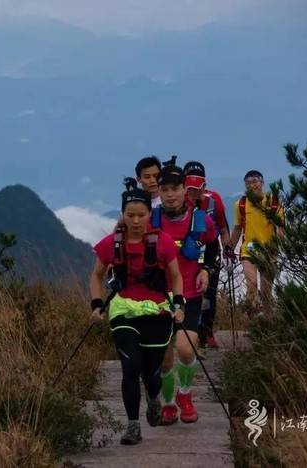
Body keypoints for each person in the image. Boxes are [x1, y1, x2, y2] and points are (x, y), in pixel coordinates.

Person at [90, 179, 184, 445]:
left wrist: (179, 305)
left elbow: (176, 276)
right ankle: (133, 426)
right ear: (123, 214)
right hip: (123, 309)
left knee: (152, 373)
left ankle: (154, 399)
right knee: (131, 368)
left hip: (157, 310)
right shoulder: (111, 243)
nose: (135, 221)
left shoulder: (163, 242)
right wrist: (96, 304)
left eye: (141, 215)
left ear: (149, 214)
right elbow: (96, 276)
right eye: (130, 215)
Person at [152, 160, 220, 425]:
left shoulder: (200, 219)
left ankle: (185, 393)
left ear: (184, 189)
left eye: (175, 188)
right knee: (164, 358)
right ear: (159, 191)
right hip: (158, 296)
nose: (170, 194)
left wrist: (206, 270)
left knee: (186, 349)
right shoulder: (151, 220)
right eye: (165, 189)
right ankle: (169, 403)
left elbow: (212, 247)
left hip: (189, 293)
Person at [183, 161, 232, 349]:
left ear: (204, 185)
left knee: (209, 292)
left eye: (197, 188)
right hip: (187, 252)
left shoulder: (214, 201)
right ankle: (190, 332)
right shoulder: (179, 200)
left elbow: (223, 227)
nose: (192, 192)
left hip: (211, 251)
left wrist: (228, 248)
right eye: (189, 187)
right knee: (189, 292)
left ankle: (207, 332)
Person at [228, 170, 284, 318]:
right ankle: (251, 321)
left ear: (262, 182)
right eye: (248, 183)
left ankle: (268, 320)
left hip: (269, 251)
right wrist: (229, 248)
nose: (252, 185)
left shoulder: (273, 202)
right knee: (251, 286)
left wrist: (280, 242)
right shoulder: (240, 204)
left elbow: (281, 227)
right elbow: (238, 228)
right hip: (249, 250)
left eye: (255, 181)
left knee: (266, 291)